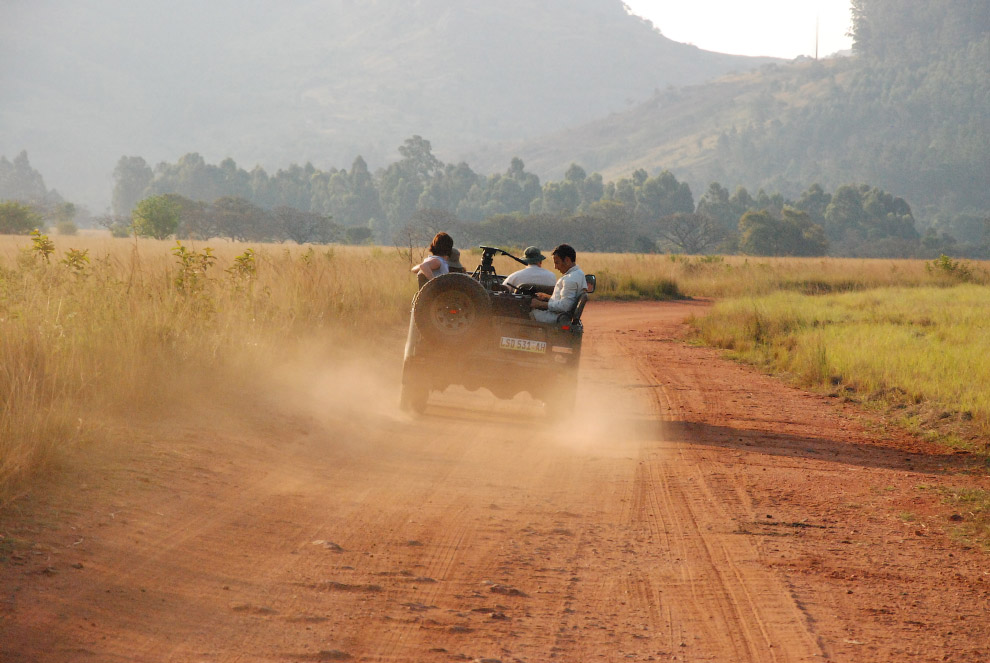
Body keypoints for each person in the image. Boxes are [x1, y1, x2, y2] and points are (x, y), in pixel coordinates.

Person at [530, 243, 586, 323]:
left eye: (557, 263)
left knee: (525, 313)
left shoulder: (570, 279)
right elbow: (569, 299)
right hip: (559, 315)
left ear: (567, 260)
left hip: (555, 317)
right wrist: (547, 297)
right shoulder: (579, 274)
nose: (555, 267)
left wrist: (540, 304)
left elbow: (564, 306)